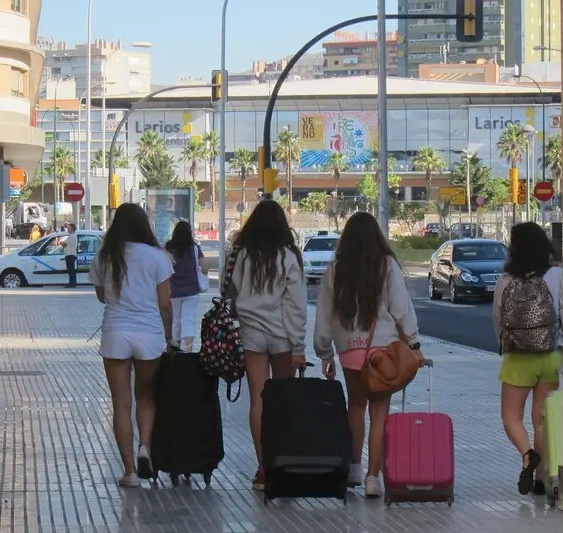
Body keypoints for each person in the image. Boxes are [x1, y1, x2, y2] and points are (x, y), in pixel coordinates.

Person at [313, 212, 424, 499]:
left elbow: (324, 317)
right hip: (382, 352)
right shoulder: (386, 266)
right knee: (379, 415)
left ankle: (354, 467)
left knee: (355, 408)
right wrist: (412, 342)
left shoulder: (335, 269)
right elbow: (402, 307)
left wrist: (324, 353)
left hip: (350, 350)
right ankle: (373, 479)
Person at [87, 203, 175, 488]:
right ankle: (144, 448)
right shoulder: (157, 257)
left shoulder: (105, 257)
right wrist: (169, 335)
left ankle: (129, 472)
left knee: (121, 404)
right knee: (146, 397)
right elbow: (165, 303)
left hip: (115, 333)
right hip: (149, 334)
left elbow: (102, 297)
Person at [224, 199, 307, 491]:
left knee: (258, 401)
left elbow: (230, 291)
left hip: (251, 333)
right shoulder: (288, 257)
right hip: (283, 335)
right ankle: (281, 463)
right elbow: (296, 306)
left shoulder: (241, 256)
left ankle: (263, 468)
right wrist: (298, 346)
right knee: (282, 402)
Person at [492, 222, 563, 496]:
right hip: (550, 356)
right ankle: (542, 477)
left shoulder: (506, 281)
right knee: (542, 419)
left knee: (511, 417)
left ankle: (526, 455)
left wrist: (507, 343)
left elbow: (498, 319)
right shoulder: (556, 275)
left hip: (518, 358)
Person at [165, 220, 207, 352]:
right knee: (188, 320)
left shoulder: (168, 248)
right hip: (191, 291)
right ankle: (188, 351)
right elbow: (205, 267)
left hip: (173, 291)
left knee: (175, 321)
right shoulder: (194, 247)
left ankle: (174, 349)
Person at [62, 222, 79, 288]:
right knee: (71, 270)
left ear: (72, 229)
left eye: (68, 228)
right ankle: (72, 282)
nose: (67, 229)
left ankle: (72, 283)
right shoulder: (73, 236)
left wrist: (62, 243)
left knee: (71, 270)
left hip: (70, 255)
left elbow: (63, 244)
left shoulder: (71, 236)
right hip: (71, 255)